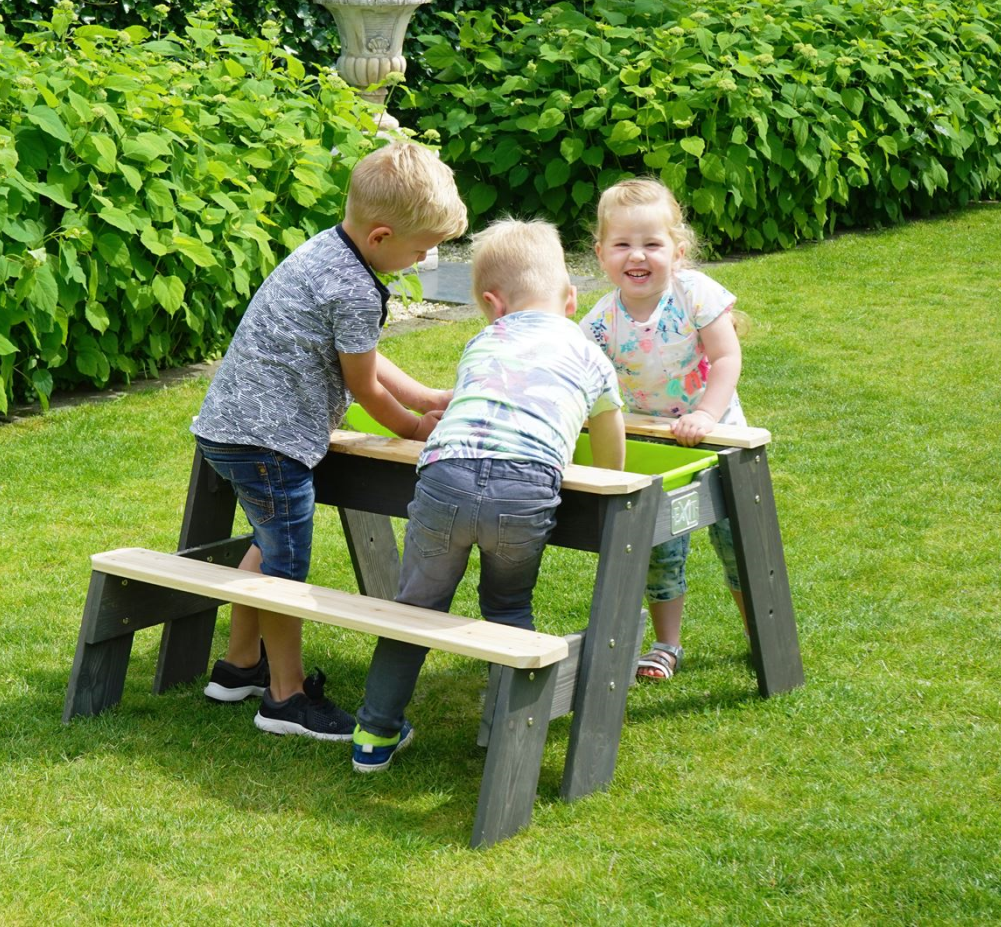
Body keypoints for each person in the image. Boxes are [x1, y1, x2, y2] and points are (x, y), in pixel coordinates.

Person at [190, 141, 468, 741]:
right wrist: (416, 429)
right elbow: (363, 386)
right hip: (270, 445)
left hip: (231, 429)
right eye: (422, 249)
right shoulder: (354, 287)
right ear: (381, 237)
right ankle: (285, 700)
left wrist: (425, 396)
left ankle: (239, 666)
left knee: (269, 545)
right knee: (286, 565)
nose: (429, 257)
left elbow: (360, 353)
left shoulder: (326, 252)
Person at [350, 219, 626, 772]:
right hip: (523, 489)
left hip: (445, 475)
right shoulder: (589, 353)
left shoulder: (483, 341)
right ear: (571, 298)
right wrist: (607, 485)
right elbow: (609, 435)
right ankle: (505, 731)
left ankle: (373, 736)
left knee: (416, 608)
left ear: (493, 305)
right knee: (507, 606)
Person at [581, 177, 748, 682]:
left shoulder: (694, 292)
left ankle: (757, 628)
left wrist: (708, 416)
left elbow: (726, 357)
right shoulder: (599, 323)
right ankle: (666, 643)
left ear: (677, 251)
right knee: (660, 547)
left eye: (652, 244)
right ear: (602, 254)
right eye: (623, 244)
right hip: (658, 446)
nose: (638, 255)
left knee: (736, 540)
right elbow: (584, 382)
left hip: (720, 440)